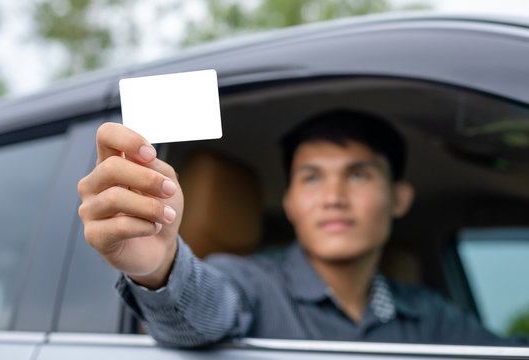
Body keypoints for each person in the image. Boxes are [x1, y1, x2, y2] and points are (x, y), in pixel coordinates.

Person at [78, 110, 524, 347]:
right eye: (312, 177)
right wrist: (160, 268)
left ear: (399, 198)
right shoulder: (249, 284)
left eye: (358, 174)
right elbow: (202, 312)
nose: (333, 196)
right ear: (290, 201)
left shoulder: (425, 313)